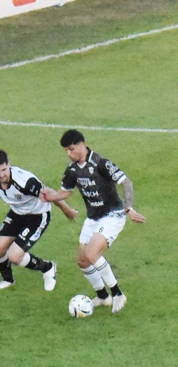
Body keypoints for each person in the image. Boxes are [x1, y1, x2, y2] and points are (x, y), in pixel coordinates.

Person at [40, 130, 145, 313]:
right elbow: (66, 191)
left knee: (92, 253)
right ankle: (103, 297)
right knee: (83, 261)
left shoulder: (100, 163)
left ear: (82, 144)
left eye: (71, 149)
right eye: (66, 150)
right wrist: (52, 197)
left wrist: (129, 208)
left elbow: (126, 182)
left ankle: (117, 293)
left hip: (113, 215)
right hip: (93, 218)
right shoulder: (72, 170)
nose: (69, 153)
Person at [0, 149, 75, 291]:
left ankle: (47, 267)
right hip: (17, 213)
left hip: (37, 215)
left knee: (14, 257)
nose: (1, 175)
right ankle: (8, 280)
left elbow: (50, 193)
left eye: (4, 170)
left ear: (9, 164)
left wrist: (67, 210)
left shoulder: (25, 181)